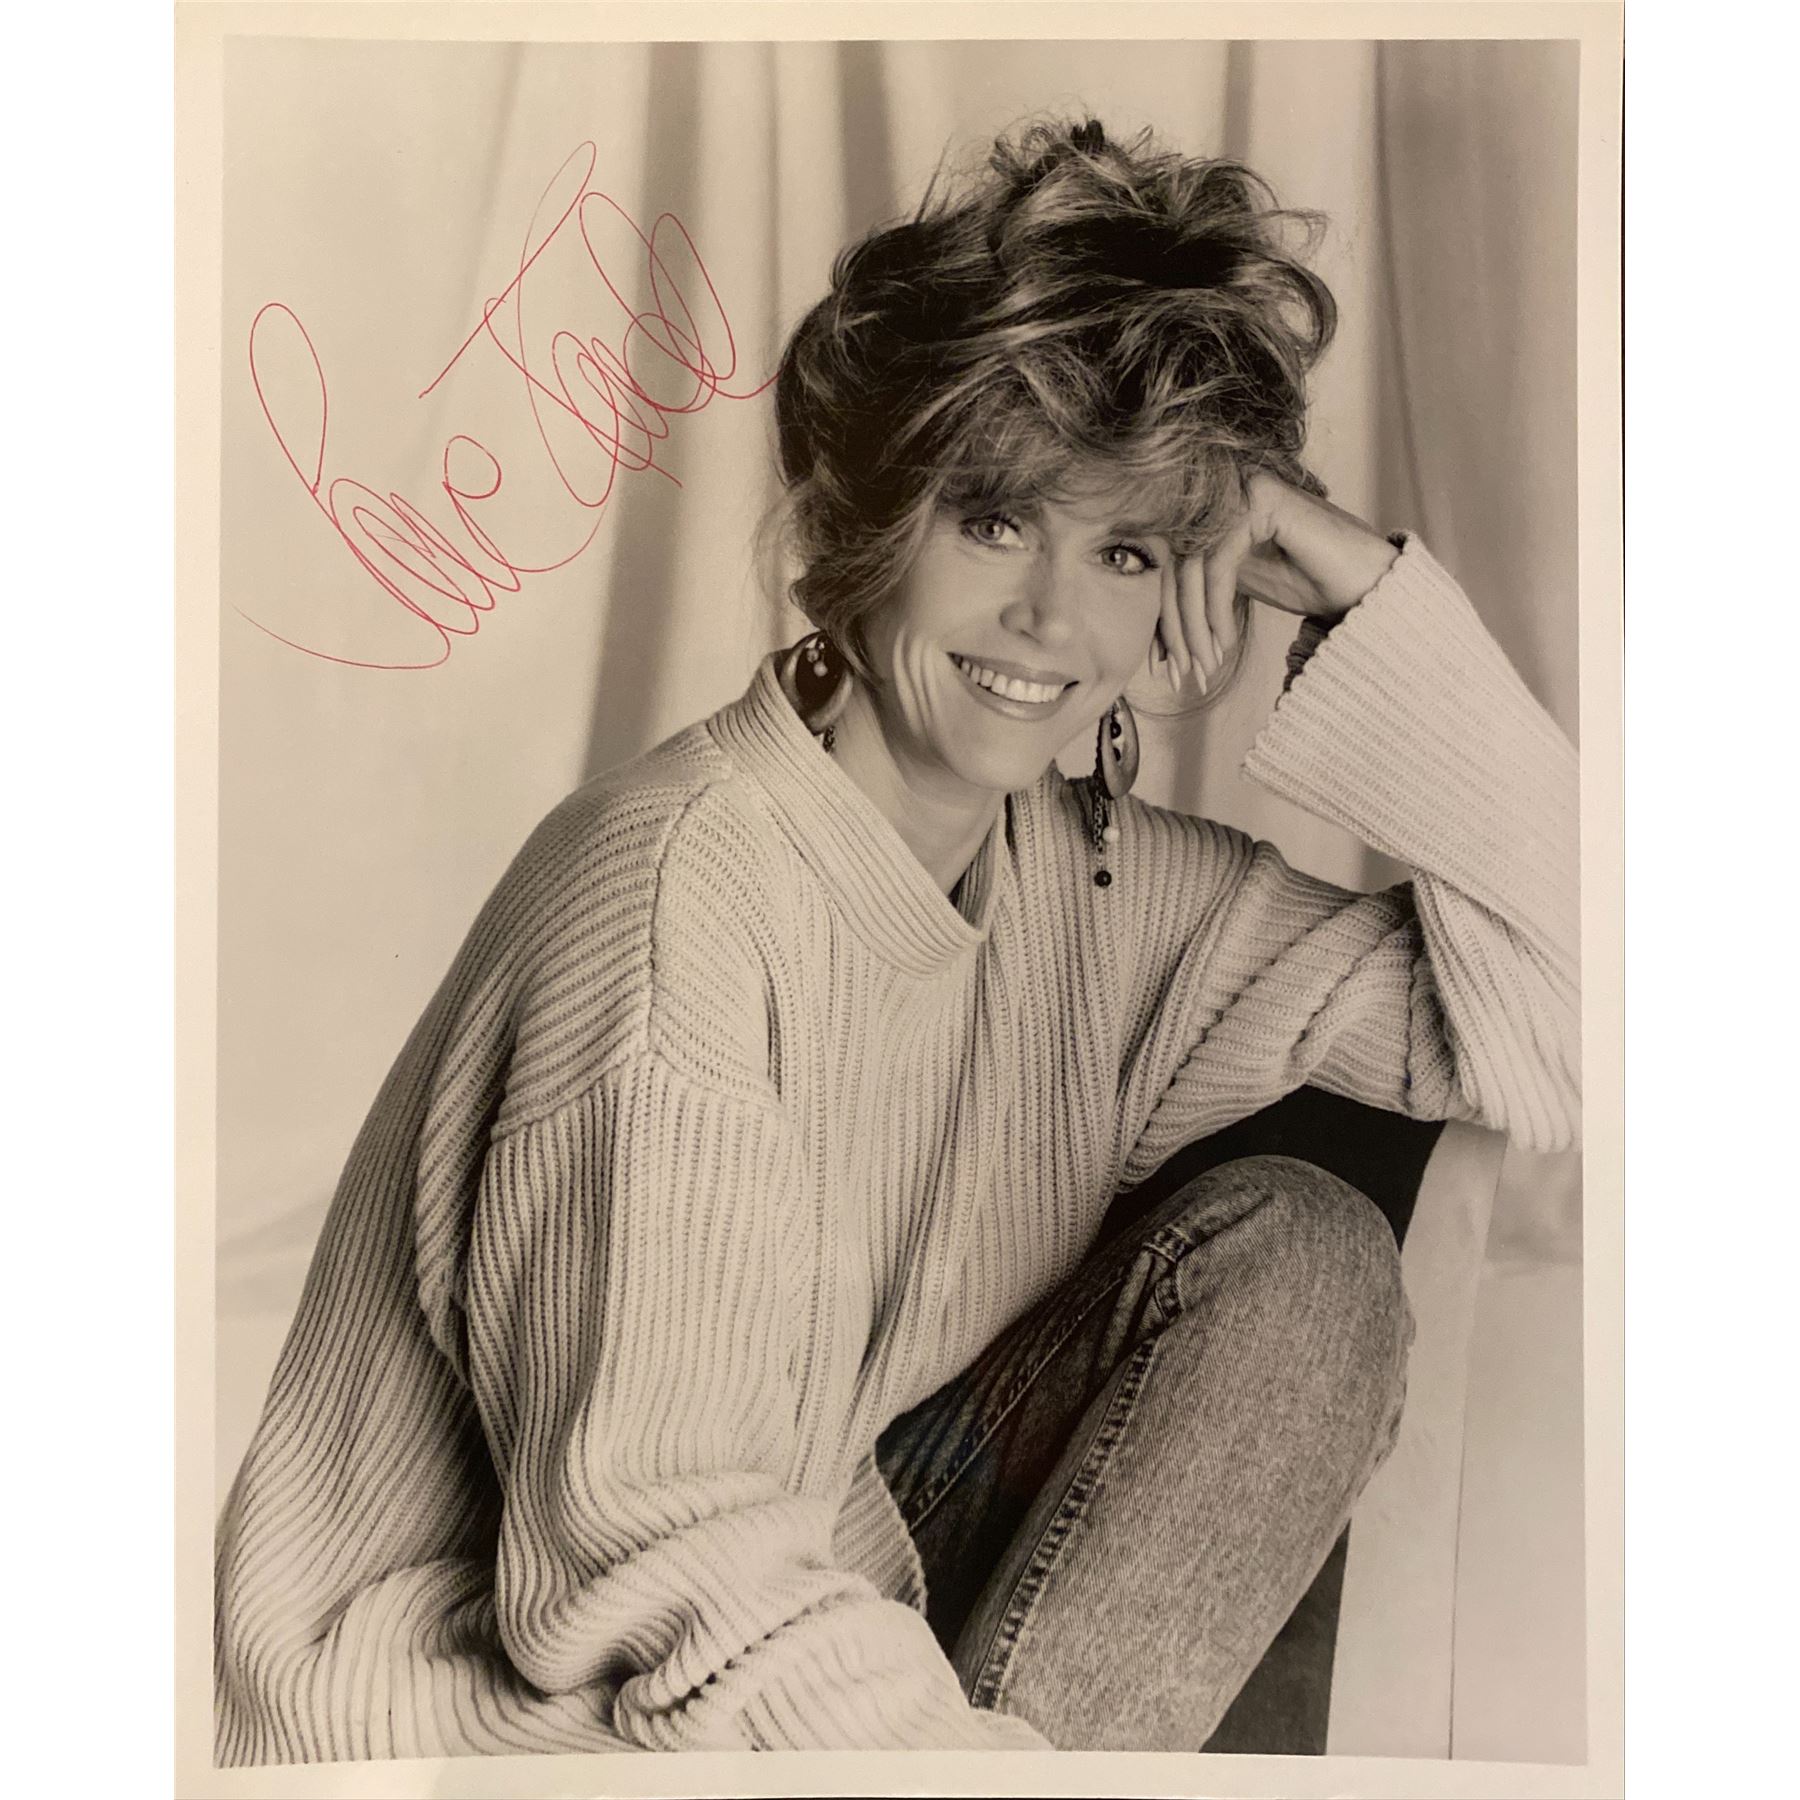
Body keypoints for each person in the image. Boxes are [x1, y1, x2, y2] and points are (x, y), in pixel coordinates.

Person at [214, 116, 1579, 1762]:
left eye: (1125, 549)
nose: (1051, 620)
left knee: (1307, 1259)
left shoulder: (1092, 886)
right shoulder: (677, 902)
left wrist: (1358, 589)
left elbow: (1585, 1014)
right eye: (993, 520)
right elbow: (667, 1557)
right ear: (863, 525)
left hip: (811, 1601)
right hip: (491, 1728)